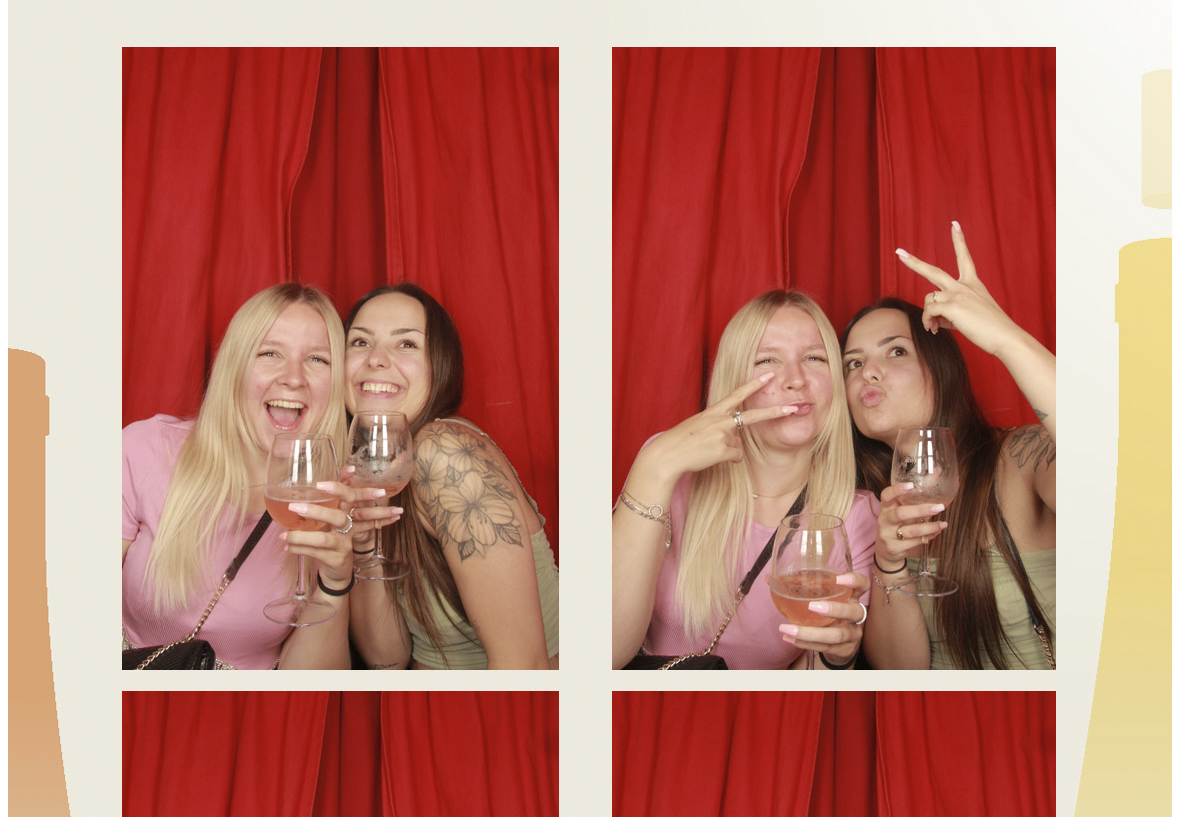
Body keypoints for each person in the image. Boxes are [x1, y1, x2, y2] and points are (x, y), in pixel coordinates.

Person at [611, 291, 876, 670]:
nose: (796, 380)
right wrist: (653, 466)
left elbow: (808, 688)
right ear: (734, 381)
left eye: (814, 359)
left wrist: (838, 657)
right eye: (767, 360)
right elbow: (602, 653)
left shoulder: (859, 516)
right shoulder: (669, 467)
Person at [843, 224, 1056, 669]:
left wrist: (1005, 337)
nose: (868, 372)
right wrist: (888, 562)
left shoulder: (1021, 457)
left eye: (895, 351)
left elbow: (1123, 477)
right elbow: (902, 674)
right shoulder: (861, 507)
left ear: (941, 368)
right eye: (853, 363)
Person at [123, 283, 363, 670]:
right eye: (269, 353)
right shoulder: (143, 449)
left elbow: (309, 687)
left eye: (318, 359)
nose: (294, 378)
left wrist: (335, 582)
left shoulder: (333, 502)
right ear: (234, 367)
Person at [343, 284, 559, 669]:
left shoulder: (445, 453)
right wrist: (363, 546)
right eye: (360, 342)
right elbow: (386, 658)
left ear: (439, 365)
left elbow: (525, 667)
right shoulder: (372, 465)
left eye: (406, 344)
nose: (376, 359)